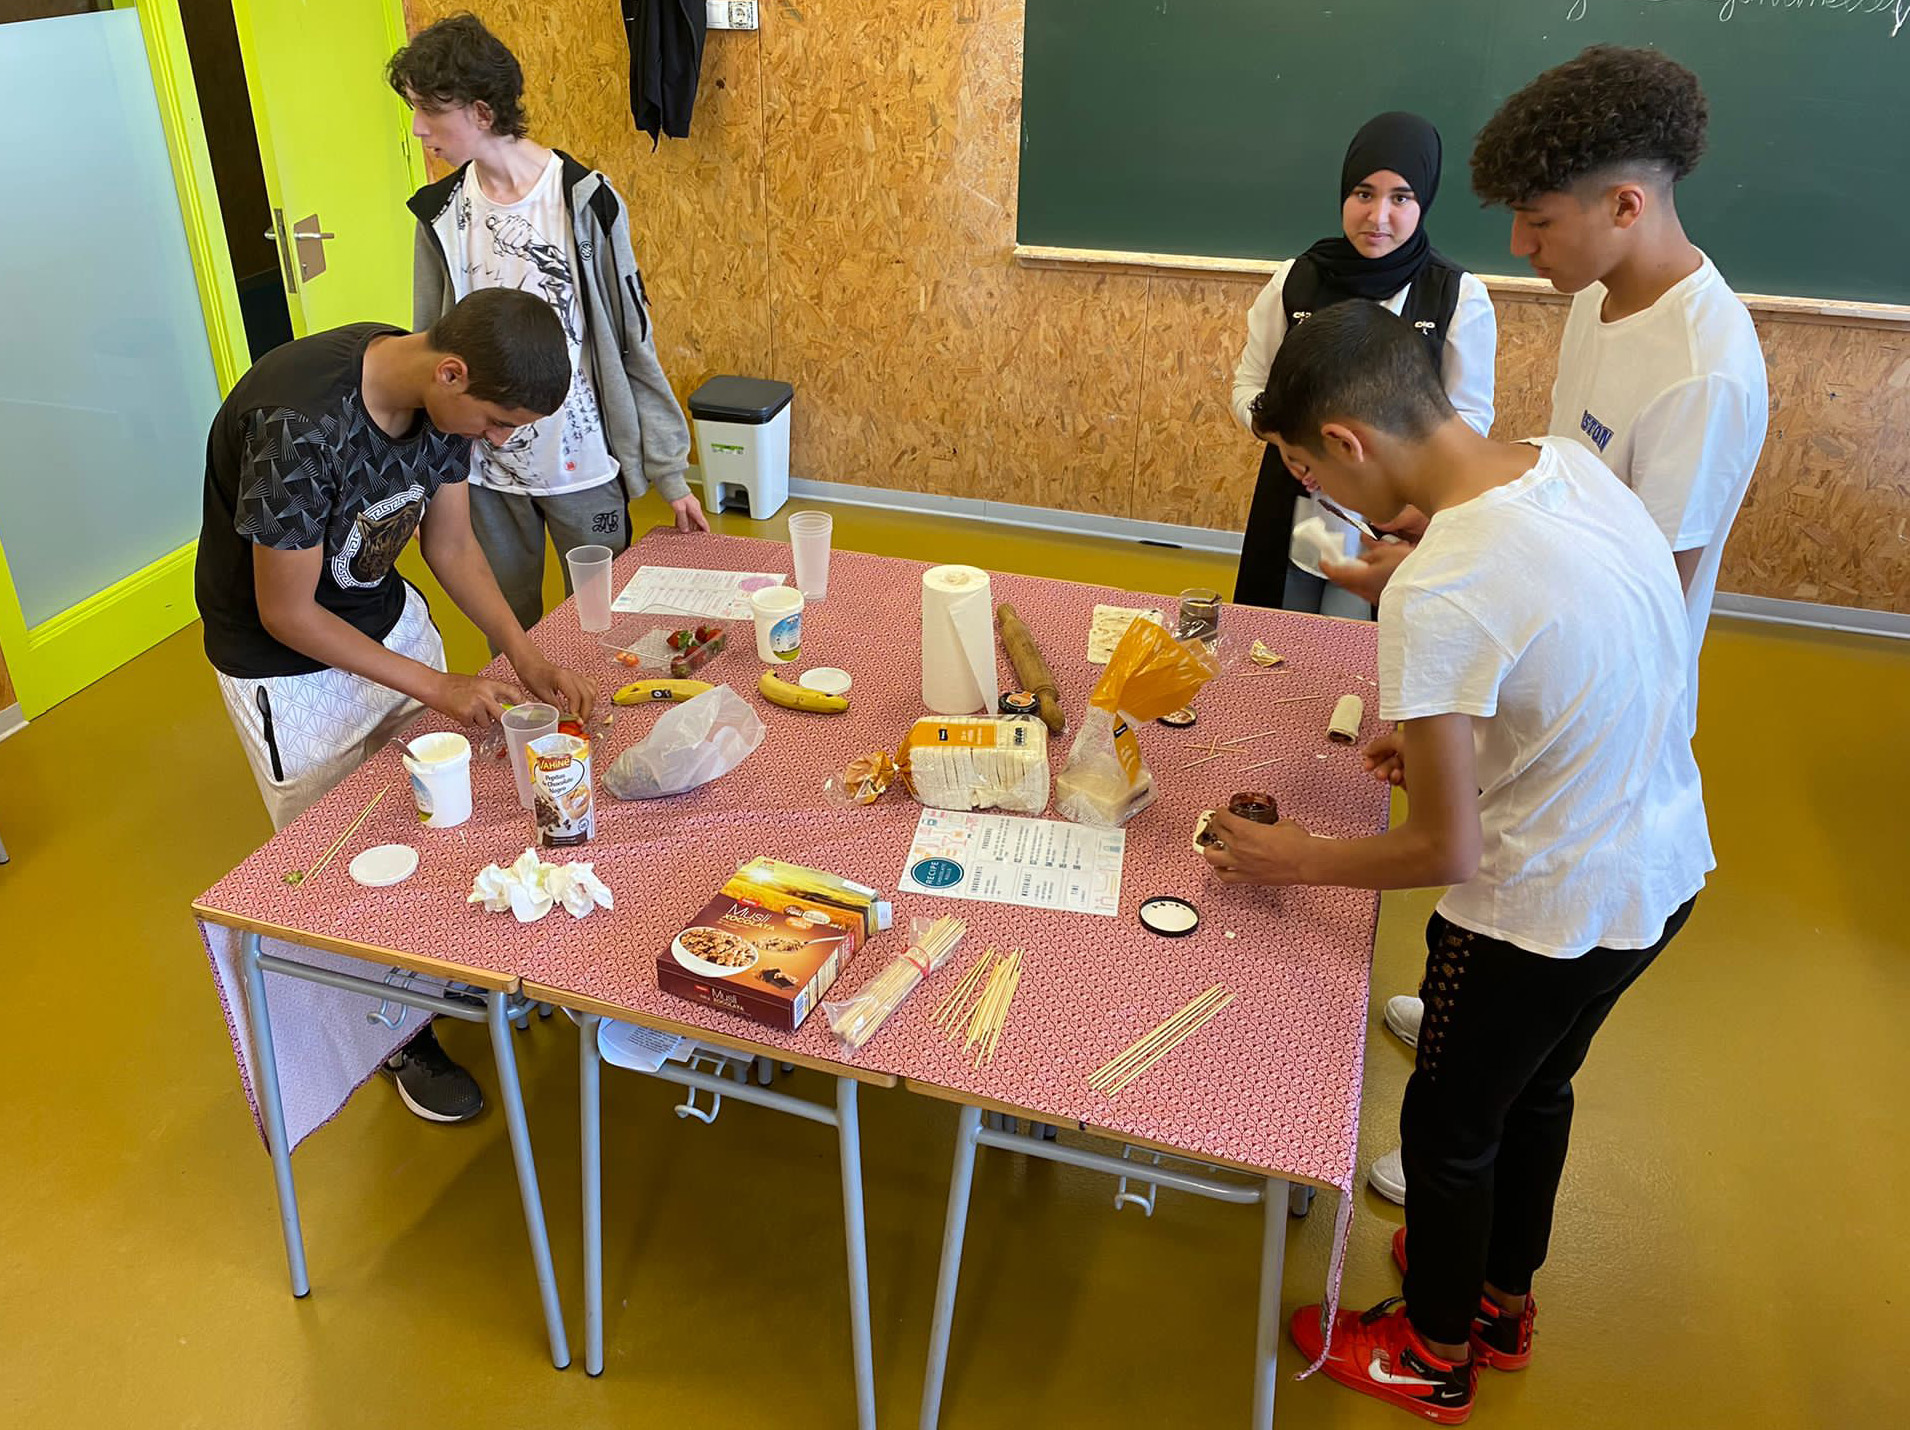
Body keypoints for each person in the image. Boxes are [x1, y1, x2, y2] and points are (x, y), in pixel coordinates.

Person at [1212, 301, 1710, 1423]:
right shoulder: (1564, 464)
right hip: (1657, 867)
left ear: (1346, 439)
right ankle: (1497, 1299)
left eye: (1307, 469)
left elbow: (1444, 846)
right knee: (1535, 1092)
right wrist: (1464, 745)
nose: (1320, 494)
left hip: (1535, 911)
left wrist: (1299, 857)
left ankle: (1433, 1352)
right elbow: (1568, 658)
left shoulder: (1437, 586)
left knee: (1446, 1131)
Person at [1347, 47, 1769, 1205]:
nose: (1518, 245)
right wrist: (1444, 537)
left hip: (1595, 707)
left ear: (1624, 205)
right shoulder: (1598, 296)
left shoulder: (1702, 371)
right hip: (1539, 662)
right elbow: (1544, 489)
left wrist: (1453, 626)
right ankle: (1471, 1027)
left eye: (1536, 221)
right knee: (1481, 938)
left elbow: (1631, 594)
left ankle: (1466, 1113)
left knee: (1519, 960)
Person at [195, 287, 596, 1122]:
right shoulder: (300, 424)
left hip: (382, 619)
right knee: (348, 855)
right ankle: (392, 1034)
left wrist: (521, 651)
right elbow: (286, 612)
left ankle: (441, 971)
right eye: (496, 423)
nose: (498, 441)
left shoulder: (440, 404)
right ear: (451, 372)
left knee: (442, 810)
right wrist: (441, 688)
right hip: (288, 670)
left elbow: (449, 542)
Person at [388, 14, 707, 638]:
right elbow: (426, 350)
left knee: (606, 629)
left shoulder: (584, 200)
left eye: (430, 110)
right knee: (511, 632)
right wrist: (421, 471)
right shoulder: (439, 215)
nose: (419, 128)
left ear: (482, 112)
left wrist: (671, 473)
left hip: (582, 464)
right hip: (483, 474)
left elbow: (632, 340)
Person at [1230, 112, 1496, 617]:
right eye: (1363, 194)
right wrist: (1284, 440)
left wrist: (1415, 498)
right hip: (1293, 503)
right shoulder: (1295, 281)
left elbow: (1469, 418)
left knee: (1361, 647)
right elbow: (1249, 386)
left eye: (1401, 198)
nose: (1378, 217)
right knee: (1274, 640)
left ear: (1424, 201)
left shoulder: (1457, 296)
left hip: (1395, 518)